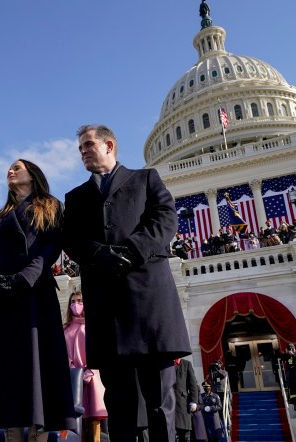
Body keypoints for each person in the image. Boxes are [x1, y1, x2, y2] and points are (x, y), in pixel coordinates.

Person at [62, 124, 191, 440]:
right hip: (108, 311)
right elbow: (71, 239)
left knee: (160, 401)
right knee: (119, 403)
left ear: (109, 145)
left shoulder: (145, 179)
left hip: (149, 305)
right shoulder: (76, 197)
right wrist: (101, 255)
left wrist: (131, 251)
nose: (83, 151)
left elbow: (165, 220)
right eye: (80, 148)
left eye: (88, 145)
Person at [0, 159, 76, 438]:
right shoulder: (0, 216)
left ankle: (39, 433)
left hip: (34, 297)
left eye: (17, 167)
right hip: (1, 301)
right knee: (4, 369)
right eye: (9, 168)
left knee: (37, 368)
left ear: (32, 175)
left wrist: (24, 279)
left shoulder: (51, 206)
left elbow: (50, 248)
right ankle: (11, 432)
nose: (10, 171)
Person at [63, 291, 107, 442]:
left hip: (92, 376)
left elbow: (98, 349)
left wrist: (90, 370)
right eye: (73, 301)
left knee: (94, 421)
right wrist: (73, 370)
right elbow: (63, 353)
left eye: (80, 301)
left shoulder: (92, 326)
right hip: (73, 379)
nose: (76, 304)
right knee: (75, 420)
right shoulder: (65, 329)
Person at [173, 358, 204, 442]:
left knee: (184, 432)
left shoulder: (186, 364)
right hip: (168, 403)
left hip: (182, 403)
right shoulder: (166, 364)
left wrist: (194, 402)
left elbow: (193, 384)